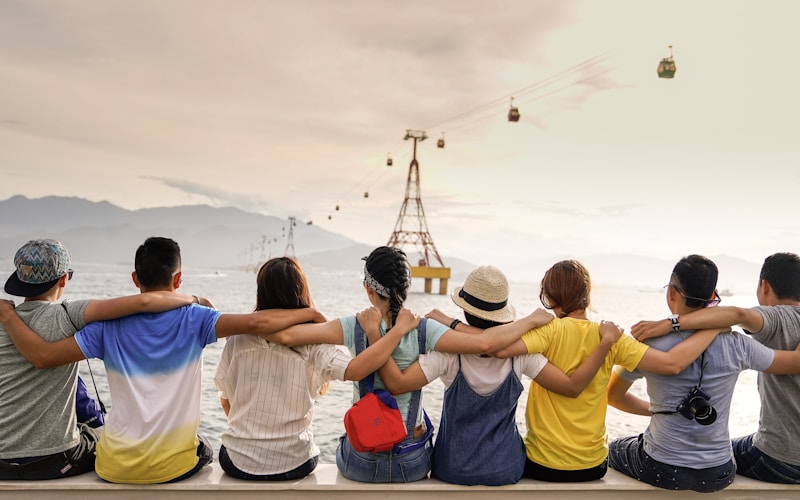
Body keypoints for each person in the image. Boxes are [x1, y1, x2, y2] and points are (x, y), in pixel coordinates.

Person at [0, 237, 325, 484]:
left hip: (113, 466)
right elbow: (256, 323)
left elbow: (45, 355)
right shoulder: (198, 319)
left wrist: (11, 319)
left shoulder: (103, 328)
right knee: (205, 446)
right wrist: (311, 314)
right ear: (178, 278)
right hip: (175, 467)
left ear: (134, 277)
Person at [262, 246, 554, 483]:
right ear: (407, 287)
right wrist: (530, 320)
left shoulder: (354, 325)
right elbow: (485, 344)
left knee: (345, 439)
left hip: (361, 462)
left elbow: (285, 335)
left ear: (368, 289)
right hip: (411, 461)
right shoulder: (426, 330)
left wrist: (312, 313)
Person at [362, 265, 624, 486]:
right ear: (501, 314)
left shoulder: (448, 353)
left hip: (453, 469)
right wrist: (603, 345)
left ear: (464, 310)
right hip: (506, 469)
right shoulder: (521, 354)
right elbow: (570, 386)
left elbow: (397, 384)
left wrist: (376, 335)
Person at [492, 259, 724, 482]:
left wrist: (530, 321)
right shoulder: (613, 337)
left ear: (550, 297)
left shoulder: (548, 331)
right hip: (592, 466)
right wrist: (713, 327)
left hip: (543, 465)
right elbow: (671, 364)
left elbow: (497, 347)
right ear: (587, 294)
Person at [0, 238, 201, 481]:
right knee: (100, 436)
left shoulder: (5, 317)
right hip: (52, 462)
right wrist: (195, 300)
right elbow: (145, 302)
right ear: (64, 279)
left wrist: (8, 315)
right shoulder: (68, 315)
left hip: (2, 462)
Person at [214, 257, 419, 481]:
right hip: (295, 462)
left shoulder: (237, 340)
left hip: (238, 461)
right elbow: (355, 370)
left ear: (261, 292)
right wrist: (396, 331)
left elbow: (226, 400)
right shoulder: (315, 344)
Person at [608, 254, 800, 492]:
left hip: (662, 468)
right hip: (719, 472)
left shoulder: (645, 344)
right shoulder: (739, 345)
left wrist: (658, 411)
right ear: (713, 298)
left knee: (615, 447)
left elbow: (613, 396)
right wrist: (719, 326)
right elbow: (791, 363)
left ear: (671, 293)